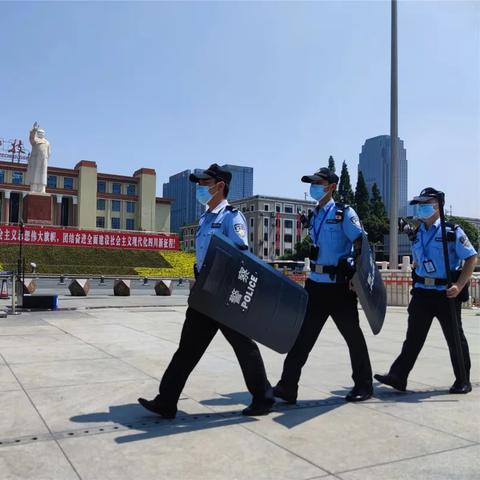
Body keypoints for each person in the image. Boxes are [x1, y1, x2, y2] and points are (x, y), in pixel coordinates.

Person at [138, 164, 274, 417]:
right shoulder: (205, 218)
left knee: (244, 346)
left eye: (204, 183)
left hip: (223, 295)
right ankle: (166, 401)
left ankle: (263, 398)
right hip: (203, 293)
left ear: (219, 186)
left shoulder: (231, 217)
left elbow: (240, 256)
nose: (200, 187)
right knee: (187, 348)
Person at [274, 167, 373, 403]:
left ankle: (364, 385)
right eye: (312, 183)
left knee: (353, 337)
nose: (314, 186)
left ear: (331, 186)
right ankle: (288, 386)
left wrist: (356, 277)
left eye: (318, 182)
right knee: (302, 337)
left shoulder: (344, 213)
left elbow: (360, 243)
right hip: (315, 286)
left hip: (339, 287)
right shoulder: (316, 214)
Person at [375, 187, 477, 394]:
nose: (421, 208)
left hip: (446, 293)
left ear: (437, 205)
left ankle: (463, 380)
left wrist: (460, 285)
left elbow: (471, 258)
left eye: (425, 204)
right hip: (422, 292)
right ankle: (398, 376)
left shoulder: (451, 231)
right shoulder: (417, 232)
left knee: (454, 338)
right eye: (419, 205)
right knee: (413, 337)